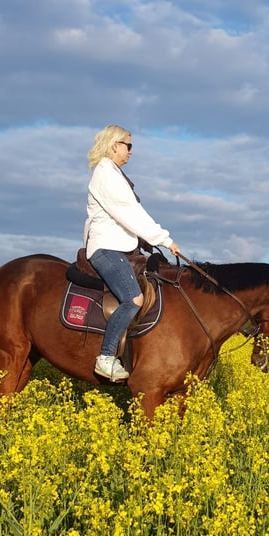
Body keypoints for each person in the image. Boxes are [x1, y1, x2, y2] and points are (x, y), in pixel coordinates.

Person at [83, 125, 180, 381]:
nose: (130, 152)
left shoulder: (114, 173)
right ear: (115, 145)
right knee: (134, 299)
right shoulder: (106, 174)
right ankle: (105, 357)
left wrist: (144, 241)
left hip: (120, 247)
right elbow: (130, 213)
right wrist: (164, 239)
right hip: (106, 249)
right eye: (129, 145)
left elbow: (126, 218)